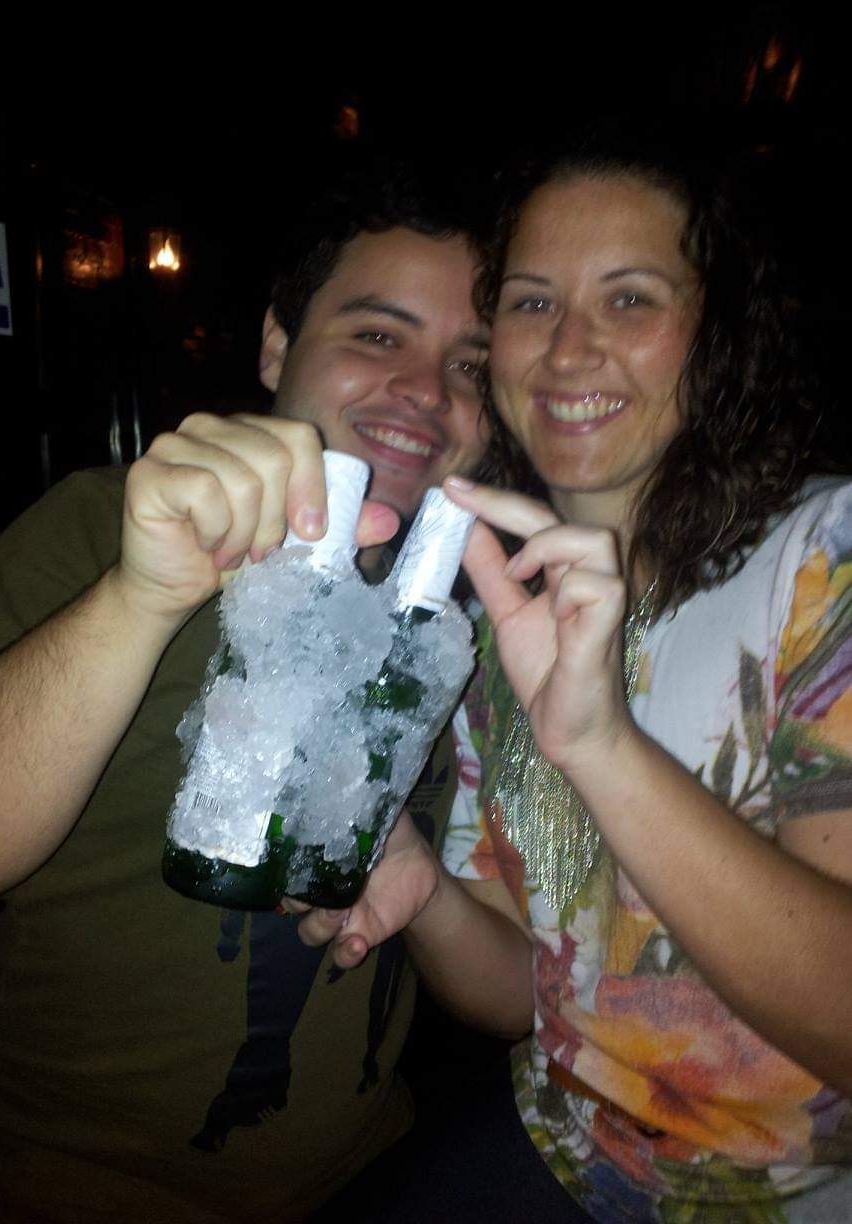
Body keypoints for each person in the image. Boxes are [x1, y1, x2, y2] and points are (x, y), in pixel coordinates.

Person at [298, 128, 852, 1221]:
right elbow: (523, 990)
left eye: (630, 299)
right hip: (557, 1147)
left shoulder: (821, 560)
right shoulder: (495, 614)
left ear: (716, 335)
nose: (568, 350)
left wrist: (600, 745)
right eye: (533, 303)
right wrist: (420, 887)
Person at [0, 164, 494, 1223]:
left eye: (470, 364)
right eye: (379, 333)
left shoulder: (463, 630)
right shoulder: (109, 527)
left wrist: (423, 884)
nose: (427, 390)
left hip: (376, 1174)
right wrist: (140, 599)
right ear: (278, 344)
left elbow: (510, 987)